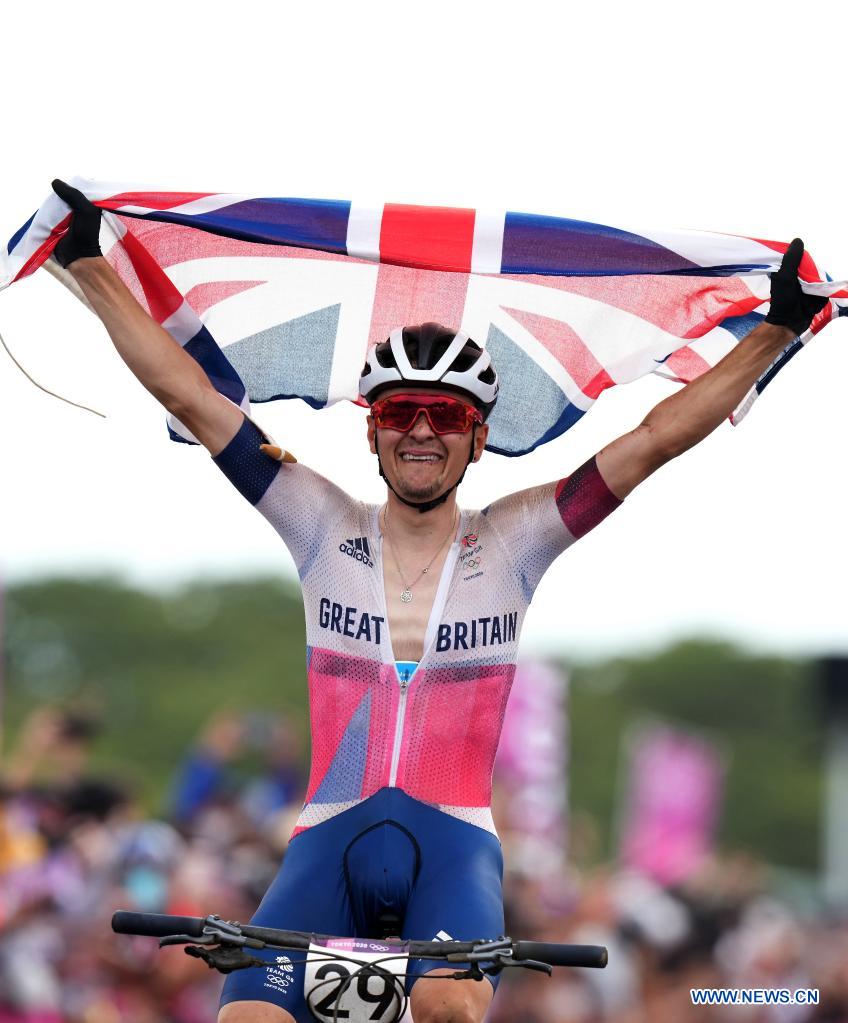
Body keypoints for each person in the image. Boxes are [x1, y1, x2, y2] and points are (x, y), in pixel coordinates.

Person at [48, 179, 826, 1023]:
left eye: (446, 414)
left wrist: (775, 333)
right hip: (329, 838)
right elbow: (192, 398)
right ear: (373, 429)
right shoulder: (317, 522)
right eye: (403, 410)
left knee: (450, 1010)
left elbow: (654, 439)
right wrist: (91, 264)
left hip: (453, 847)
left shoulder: (519, 539)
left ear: (478, 435)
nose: (423, 428)